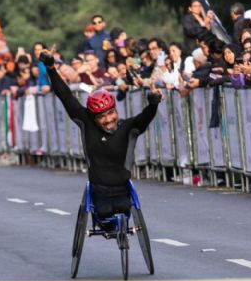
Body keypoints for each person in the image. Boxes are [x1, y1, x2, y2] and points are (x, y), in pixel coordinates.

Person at [40, 50, 161, 218]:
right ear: (93, 117)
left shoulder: (128, 127)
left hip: (122, 189)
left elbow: (144, 118)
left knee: (122, 211)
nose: (108, 119)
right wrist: (51, 68)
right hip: (99, 190)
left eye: (111, 113)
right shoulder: (87, 123)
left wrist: (153, 104)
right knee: (104, 214)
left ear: (116, 110)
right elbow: (65, 96)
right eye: (102, 116)